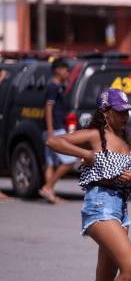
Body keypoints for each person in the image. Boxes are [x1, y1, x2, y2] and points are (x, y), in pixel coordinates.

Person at [46, 88, 131, 281]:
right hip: (99, 204)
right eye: (120, 112)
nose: (125, 117)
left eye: (127, 112)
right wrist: (89, 155)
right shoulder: (94, 136)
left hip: (120, 207)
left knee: (105, 276)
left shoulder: (127, 138)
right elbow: (53, 142)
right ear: (105, 112)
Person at [39, 58, 76, 203]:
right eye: (66, 70)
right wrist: (50, 131)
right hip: (55, 129)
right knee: (69, 161)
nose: (67, 73)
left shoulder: (56, 86)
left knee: (51, 163)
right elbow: (48, 108)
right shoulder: (53, 87)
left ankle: (50, 195)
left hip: (53, 129)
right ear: (58, 70)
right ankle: (48, 187)